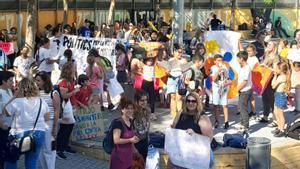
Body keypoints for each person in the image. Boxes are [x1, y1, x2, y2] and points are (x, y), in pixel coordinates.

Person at [3, 78, 50, 169]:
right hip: (38, 133)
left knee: (11, 159)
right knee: (32, 161)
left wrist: (14, 96)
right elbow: (47, 117)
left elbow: (5, 111)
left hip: (19, 134)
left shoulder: (17, 102)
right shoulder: (41, 101)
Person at [168, 92, 213, 168]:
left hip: (197, 150)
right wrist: (171, 128)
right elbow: (174, 127)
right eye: (188, 101)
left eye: (193, 101)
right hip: (182, 147)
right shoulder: (181, 112)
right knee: (171, 162)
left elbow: (209, 140)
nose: (190, 103)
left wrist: (195, 135)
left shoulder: (202, 117)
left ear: (197, 103)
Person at [35, 71, 60, 169]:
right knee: (40, 148)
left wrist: (54, 127)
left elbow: (57, 110)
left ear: (45, 81)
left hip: (49, 123)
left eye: (38, 81)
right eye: (36, 80)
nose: (36, 83)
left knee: (49, 149)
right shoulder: (36, 92)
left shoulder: (53, 93)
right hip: (38, 124)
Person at [56, 62, 79, 159]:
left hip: (70, 107)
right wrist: (74, 91)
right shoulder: (63, 82)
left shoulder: (70, 80)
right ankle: (59, 148)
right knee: (64, 128)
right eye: (74, 68)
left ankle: (65, 146)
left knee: (69, 127)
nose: (75, 70)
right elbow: (64, 95)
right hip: (65, 108)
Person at [110, 97, 140, 169]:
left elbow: (131, 137)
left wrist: (135, 149)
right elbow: (116, 140)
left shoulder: (131, 121)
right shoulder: (118, 122)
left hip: (128, 157)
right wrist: (130, 140)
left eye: (131, 108)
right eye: (127, 108)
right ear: (122, 110)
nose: (130, 110)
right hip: (118, 158)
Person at [259, 41, 280, 125]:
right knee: (265, 98)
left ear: (274, 46)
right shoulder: (267, 54)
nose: (268, 45)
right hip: (265, 80)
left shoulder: (275, 57)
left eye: (270, 44)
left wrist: (266, 66)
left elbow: (276, 71)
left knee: (272, 100)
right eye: (268, 44)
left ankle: (275, 119)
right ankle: (265, 116)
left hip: (271, 80)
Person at [210, 54, 231, 129]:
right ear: (215, 61)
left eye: (221, 60)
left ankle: (226, 121)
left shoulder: (225, 67)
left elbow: (228, 78)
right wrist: (218, 70)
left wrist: (228, 82)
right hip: (216, 88)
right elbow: (213, 79)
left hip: (224, 88)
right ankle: (217, 120)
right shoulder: (213, 68)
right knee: (216, 105)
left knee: (225, 105)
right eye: (218, 60)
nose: (220, 62)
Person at [271, 61, 290, 137]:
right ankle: (279, 127)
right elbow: (272, 84)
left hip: (280, 96)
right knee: (276, 112)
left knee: (280, 114)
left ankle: (282, 129)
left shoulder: (282, 77)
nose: (275, 70)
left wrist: (275, 76)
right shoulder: (280, 76)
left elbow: (273, 86)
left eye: (276, 69)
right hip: (277, 95)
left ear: (281, 70)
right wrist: (275, 75)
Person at [166, 44, 186, 118]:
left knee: (179, 98)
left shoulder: (184, 60)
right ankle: (174, 115)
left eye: (181, 52)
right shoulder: (170, 60)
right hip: (172, 79)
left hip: (180, 79)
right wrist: (168, 72)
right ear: (174, 52)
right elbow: (167, 70)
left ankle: (179, 115)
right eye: (178, 52)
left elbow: (186, 70)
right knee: (173, 97)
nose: (180, 54)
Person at [0, 71, 14, 169]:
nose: (12, 83)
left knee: (6, 149)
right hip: (2, 126)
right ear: (3, 81)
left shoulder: (9, 91)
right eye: (10, 81)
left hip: (9, 125)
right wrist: (1, 125)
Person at [236, 51, 253, 131]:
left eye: (238, 58)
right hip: (242, 90)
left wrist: (237, 89)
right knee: (240, 106)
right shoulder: (243, 67)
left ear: (241, 59)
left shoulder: (247, 68)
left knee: (243, 108)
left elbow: (245, 81)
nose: (237, 60)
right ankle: (242, 124)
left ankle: (246, 126)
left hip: (245, 91)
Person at [133, 89, 151, 161]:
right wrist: (134, 149)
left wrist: (148, 137)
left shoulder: (147, 110)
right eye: (142, 100)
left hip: (145, 141)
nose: (144, 102)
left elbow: (148, 125)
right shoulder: (132, 113)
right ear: (136, 101)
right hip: (136, 144)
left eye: (146, 100)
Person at [245, 44, 259, 117]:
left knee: (251, 96)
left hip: (251, 78)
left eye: (250, 51)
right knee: (247, 95)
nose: (249, 52)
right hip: (246, 78)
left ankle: (253, 111)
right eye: (247, 51)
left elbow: (255, 69)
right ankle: (246, 110)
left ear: (254, 51)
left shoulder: (255, 59)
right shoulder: (247, 57)